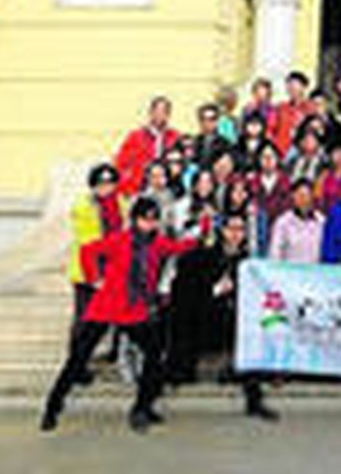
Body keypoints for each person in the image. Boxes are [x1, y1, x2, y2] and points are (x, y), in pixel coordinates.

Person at [41, 198, 197, 434]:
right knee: (78, 358)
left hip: (135, 311)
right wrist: (94, 278)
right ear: (135, 219)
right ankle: (53, 407)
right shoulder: (120, 240)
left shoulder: (158, 243)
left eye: (154, 220)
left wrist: (202, 234)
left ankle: (142, 407)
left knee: (155, 355)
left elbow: (179, 247)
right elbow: (88, 251)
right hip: (106, 307)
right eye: (145, 219)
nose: (150, 224)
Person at [167, 212, 280, 420]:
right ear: (222, 231)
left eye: (240, 229)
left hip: (235, 317)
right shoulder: (205, 256)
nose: (236, 234)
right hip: (206, 314)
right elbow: (190, 292)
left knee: (253, 333)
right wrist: (216, 290)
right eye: (231, 229)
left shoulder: (247, 262)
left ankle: (254, 400)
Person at [66, 163, 124, 382]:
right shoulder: (85, 207)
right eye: (101, 184)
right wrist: (96, 276)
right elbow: (88, 243)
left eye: (110, 183)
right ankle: (76, 366)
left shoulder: (119, 205)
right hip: (88, 272)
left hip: (111, 271)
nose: (106, 188)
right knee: (83, 320)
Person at [116, 96, 179, 197]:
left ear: (168, 115)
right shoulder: (136, 136)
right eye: (157, 111)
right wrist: (127, 186)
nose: (160, 115)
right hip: (140, 188)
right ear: (151, 113)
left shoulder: (175, 137)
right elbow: (121, 164)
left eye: (164, 112)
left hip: (166, 189)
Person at [269, 178, 325, 264]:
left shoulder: (321, 221)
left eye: (306, 195)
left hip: (315, 273)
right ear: (293, 197)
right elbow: (275, 253)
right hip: (290, 273)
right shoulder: (283, 223)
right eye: (300, 195)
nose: (303, 200)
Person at [269, 71, 316, 158]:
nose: (292, 89)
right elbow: (270, 129)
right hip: (282, 151)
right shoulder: (280, 108)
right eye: (289, 86)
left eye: (295, 85)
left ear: (304, 87)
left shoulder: (311, 109)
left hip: (305, 153)